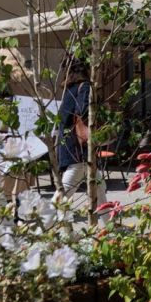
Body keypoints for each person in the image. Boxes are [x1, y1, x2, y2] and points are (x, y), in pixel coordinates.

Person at [54, 63, 105, 209]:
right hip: (79, 149)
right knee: (62, 196)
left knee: (99, 188)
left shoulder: (69, 90)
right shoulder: (85, 87)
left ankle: (109, 225)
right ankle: (41, 227)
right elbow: (82, 110)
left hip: (68, 145)